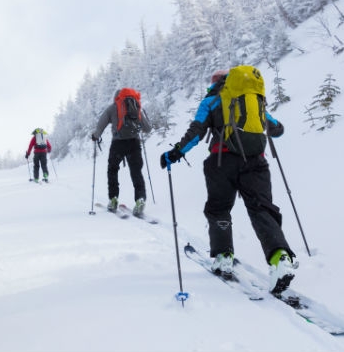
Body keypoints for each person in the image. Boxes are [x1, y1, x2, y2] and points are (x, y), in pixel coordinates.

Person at [159, 67, 297, 294]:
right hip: (256, 163)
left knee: (219, 208)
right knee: (262, 209)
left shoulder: (211, 101)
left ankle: (223, 256)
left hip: (222, 162)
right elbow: (276, 129)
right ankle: (280, 258)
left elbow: (196, 132)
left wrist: (174, 153)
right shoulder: (252, 99)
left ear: (214, 82)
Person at [90, 88, 151, 217]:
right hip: (134, 143)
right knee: (136, 172)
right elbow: (147, 128)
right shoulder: (136, 105)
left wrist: (96, 135)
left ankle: (113, 199)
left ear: (116, 98)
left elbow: (102, 123)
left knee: (112, 170)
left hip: (118, 144)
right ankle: (140, 199)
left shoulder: (113, 107)